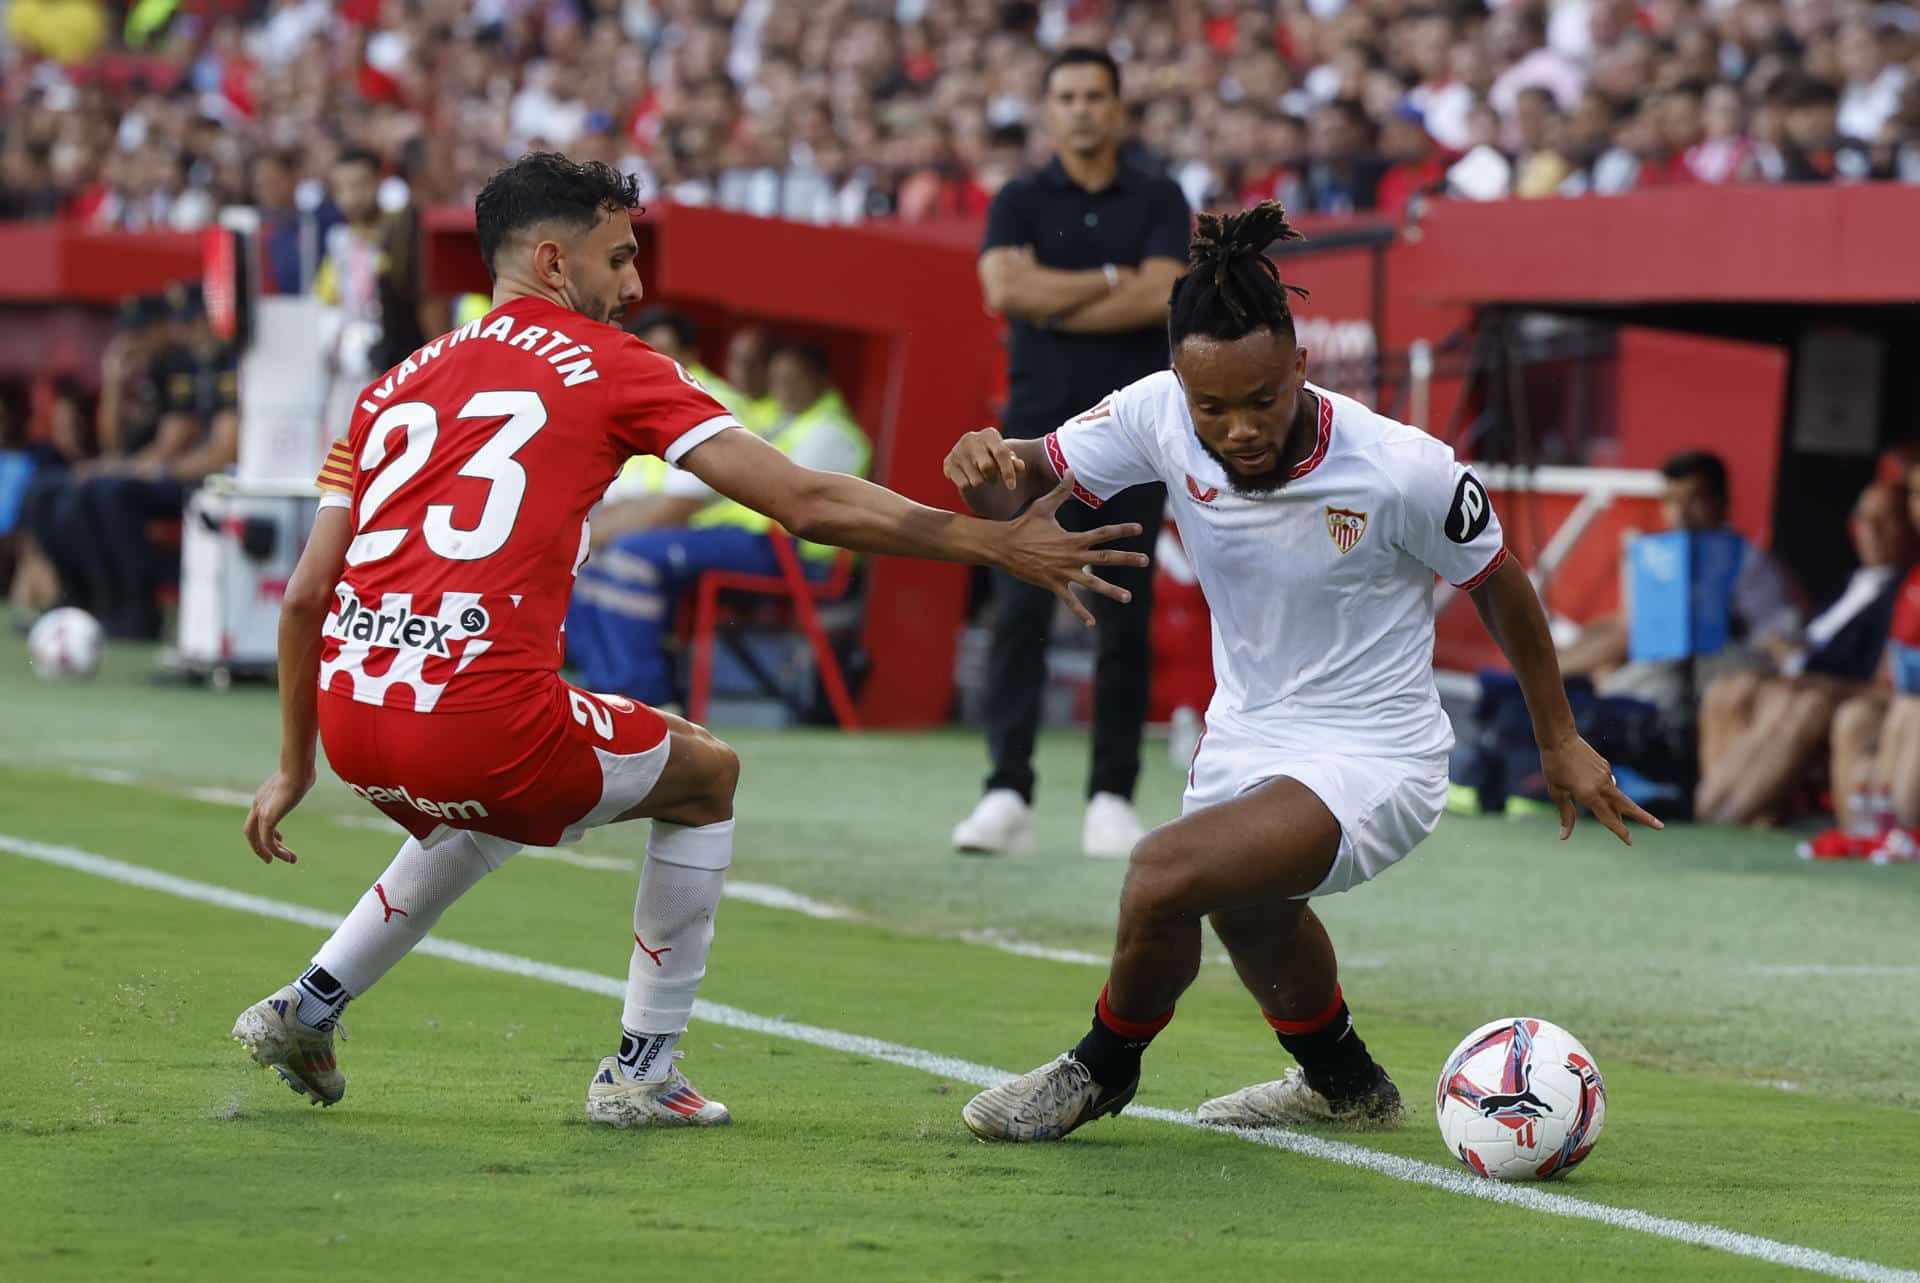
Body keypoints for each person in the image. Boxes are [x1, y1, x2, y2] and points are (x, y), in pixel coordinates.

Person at [232, 152, 1145, 1130]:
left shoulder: (390, 389)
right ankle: (644, 1067)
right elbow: (804, 498)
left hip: (357, 726)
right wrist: (992, 542)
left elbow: (305, 595)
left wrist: (293, 766)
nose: (634, 285)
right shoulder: (615, 368)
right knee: (705, 772)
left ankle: (308, 1004)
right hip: (479, 717)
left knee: (500, 803)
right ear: (552, 260)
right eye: (619, 258)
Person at [946, 203, 1655, 1143]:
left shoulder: (1400, 470)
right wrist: (986, 466)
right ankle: (1345, 1083)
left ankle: (1100, 1068)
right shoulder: (1157, 412)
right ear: (1180, 386)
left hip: (1376, 757)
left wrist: (1557, 735)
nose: (1237, 428)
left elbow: (1499, 580)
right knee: (1250, 912)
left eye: (1261, 400)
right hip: (1247, 736)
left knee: (1162, 873)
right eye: (1213, 407)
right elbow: (1026, 479)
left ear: (1301, 369)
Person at [957, 45, 1192, 860]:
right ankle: (1006, 789)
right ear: (1049, 109)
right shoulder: (1019, 199)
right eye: (1067, 96)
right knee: (1017, 607)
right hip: (1033, 434)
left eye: (1097, 95)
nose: (1083, 108)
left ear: (1119, 108)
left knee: (1122, 614)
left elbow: (1162, 293)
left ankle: (1111, 796)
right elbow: (1004, 291)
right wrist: (1108, 279)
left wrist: (1058, 293)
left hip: (1132, 436)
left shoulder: (1160, 195)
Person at [564, 338, 871, 704]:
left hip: (789, 554)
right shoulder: (779, 419)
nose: (783, 388)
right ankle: (601, 686)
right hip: (742, 539)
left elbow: (798, 506)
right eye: (778, 379)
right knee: (600, 559)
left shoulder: (828, 432)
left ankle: (645, 696)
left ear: (821, 380)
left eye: (794, 379)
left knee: (631, 558)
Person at [1694, 479, 1912, 826]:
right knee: (1729, 690)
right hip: (1803, 672)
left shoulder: (1903, 588)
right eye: (1864, 520)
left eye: (1886, 520)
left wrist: (1798, 661)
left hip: (1836, 684)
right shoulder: (1849, 583)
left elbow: (1875, 667)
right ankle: (1732, 809)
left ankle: (1722, 816)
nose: (1872, 531)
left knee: (1799, 700)